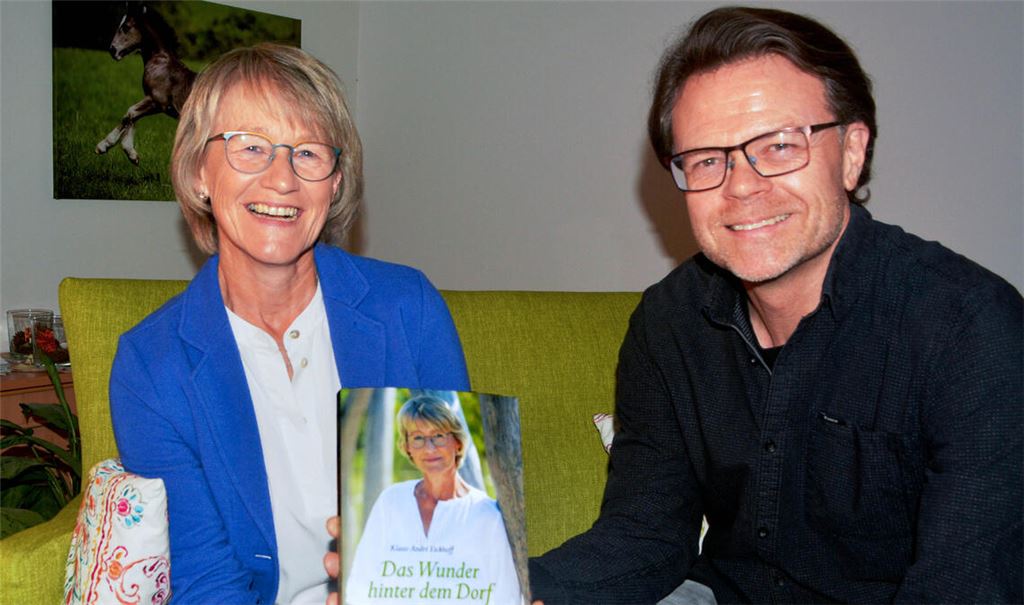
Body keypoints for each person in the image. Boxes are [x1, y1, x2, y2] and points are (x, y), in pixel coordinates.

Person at [528, 6, 1022, 604]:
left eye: (780, 145)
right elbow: (646, 534)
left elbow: (966, 587)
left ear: (851, 152)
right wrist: (511, 589)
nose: (741, 186)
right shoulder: (669, 324)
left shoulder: (971, 328)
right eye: (709, 159)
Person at [109, 43, 469, 604]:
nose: (283, 179)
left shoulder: (408, 309)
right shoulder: (151, 367)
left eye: (308, 152)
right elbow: (207, 584)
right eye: (250, 147)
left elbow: (455, 526)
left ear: (336, 180)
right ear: (198, 172)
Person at [343, 395, 522, 605]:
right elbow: (361, 584)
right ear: (407, 446)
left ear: (457, 442)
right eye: (418, 438)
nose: (429, 448)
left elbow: (506, 597)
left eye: (438, 435)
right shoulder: (390, 502)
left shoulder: (487, 516)